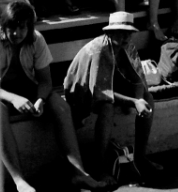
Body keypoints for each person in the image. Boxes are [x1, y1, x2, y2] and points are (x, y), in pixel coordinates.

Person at [0, 0, 108, 192]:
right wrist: (14, 99)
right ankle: (19, 181)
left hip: (28, 89)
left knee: (61, 106)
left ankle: (79, 173)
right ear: (4, 26)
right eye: (12, 28)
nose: (17, 33)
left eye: (22, 28)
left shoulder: (36, 39)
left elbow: (45, 80)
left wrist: (40, 100)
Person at [63, 12, 163, 182]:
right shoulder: (99, 49)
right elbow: (100, 92)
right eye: (121, 32)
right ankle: (99, 168)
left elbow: (138, 79)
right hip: (82, 92)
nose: (125, 36)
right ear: (110, 32)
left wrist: (139, 100)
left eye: (128, 32)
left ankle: (140, 157)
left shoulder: (128, 45)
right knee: (107, 107)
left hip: (107, 84)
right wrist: (133, 101)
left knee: (148, 99)